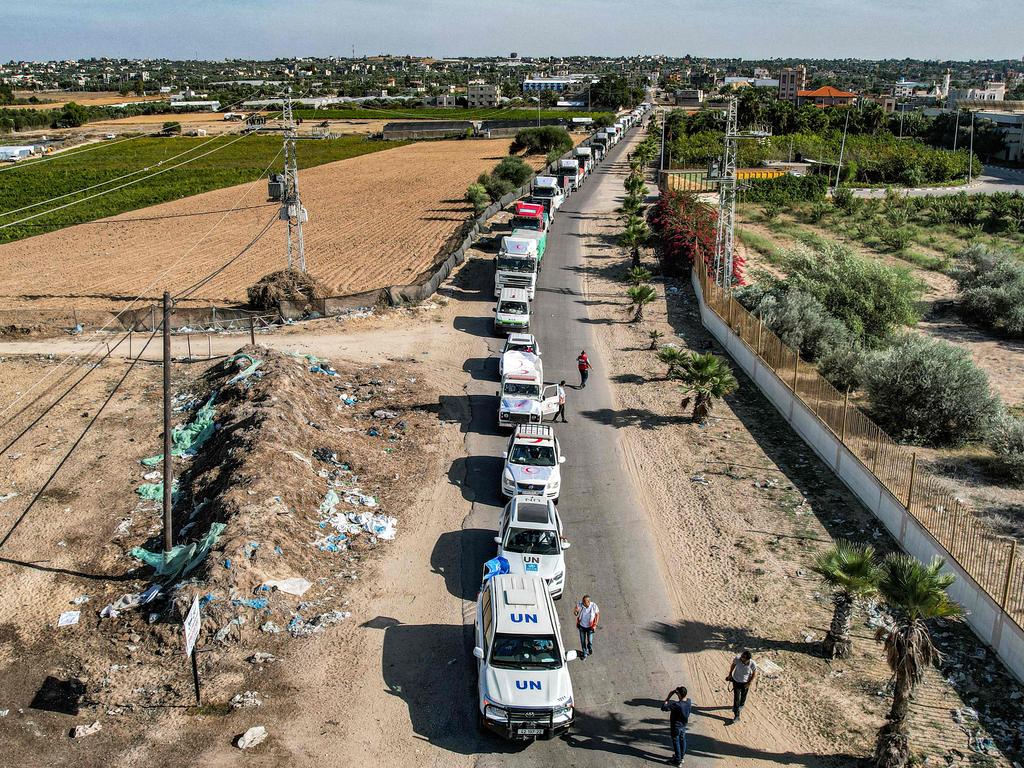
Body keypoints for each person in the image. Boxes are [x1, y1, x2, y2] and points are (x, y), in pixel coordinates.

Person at [661, 686, 692, 765]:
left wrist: (668, 697)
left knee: (676, 742)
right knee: (682, 740)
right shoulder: (689, 701)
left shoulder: (677, 705)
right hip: (684, 725)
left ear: (679, 694)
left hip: (676, 726)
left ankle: (677, 760)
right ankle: (681, 757)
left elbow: (663, 708)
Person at [727, 650, 756, 722]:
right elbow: (733, 665)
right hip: (736, 681)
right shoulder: (737, 659)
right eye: (742, 656)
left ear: (748, 659)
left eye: (743, 657)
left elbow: (754, 674)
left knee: (743, 696)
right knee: (736, 698)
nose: (741, 658)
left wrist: (749, 683)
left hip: (745, 683)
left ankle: (741, 705)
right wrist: (730, 674)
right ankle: (737, 715)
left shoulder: (752, 664)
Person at [574, 594, 599, 659]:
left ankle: (589, 647)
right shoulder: (580, 604)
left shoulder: (593, 606)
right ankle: (585, 653)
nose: (582, 603)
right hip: (582, 626)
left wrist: (595, 625)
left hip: (590, 627)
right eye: (582, 601)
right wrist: (576, 611)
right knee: (583, 641)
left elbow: (597, 615)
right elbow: (576, 613)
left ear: (588, 602)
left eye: (584, 602)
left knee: (590, 641)